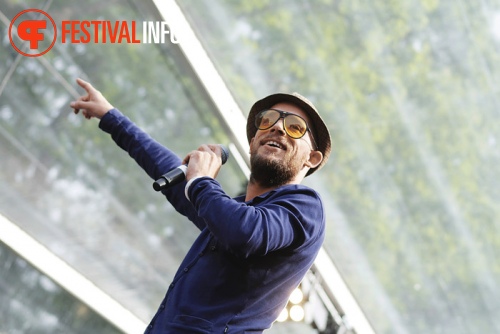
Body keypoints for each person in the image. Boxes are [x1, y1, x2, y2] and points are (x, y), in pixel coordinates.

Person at [70, 78, 331, 333]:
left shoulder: (306, 207)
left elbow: (245, 232)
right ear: (252, 142)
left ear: (312, 158)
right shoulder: (224, 211)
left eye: (295, 127)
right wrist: (110, 116)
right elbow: (170, 171)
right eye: (268, 120)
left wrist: (202, 181)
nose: (277, 128)